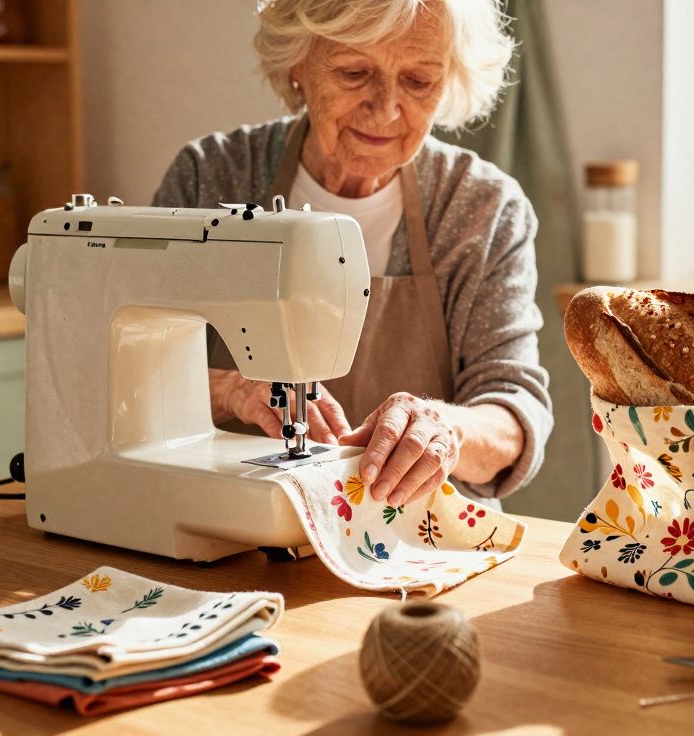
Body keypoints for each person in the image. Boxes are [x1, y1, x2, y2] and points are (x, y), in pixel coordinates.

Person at [152, 0, 552, 508]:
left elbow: (513, 413)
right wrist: (230, 389)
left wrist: (443, 428)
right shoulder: (210, 177)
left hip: (415, 534)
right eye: (354, 73)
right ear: (298, 63)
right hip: (225, 520)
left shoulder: (482, 208)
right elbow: (127, 374)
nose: (385, 109)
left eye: (418, 81)